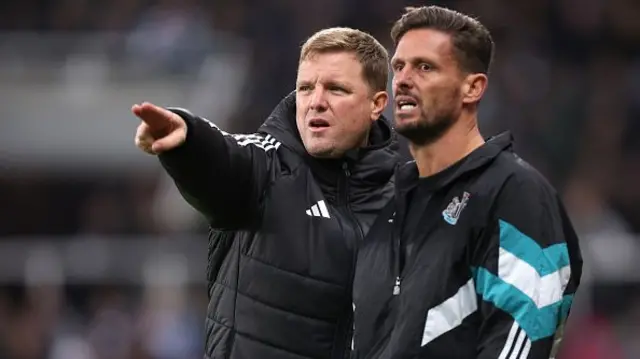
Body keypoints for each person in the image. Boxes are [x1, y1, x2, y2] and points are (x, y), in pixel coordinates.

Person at [133, 27, 399, 359]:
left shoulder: (403, 198)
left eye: (336, 89)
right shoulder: (266, 165)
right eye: (305, 88)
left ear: (377, 104)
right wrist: (188, 142)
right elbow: (224, 159)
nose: (316, 101)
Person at [352, 6, 583, 359]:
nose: (402, 79)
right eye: (398, 66)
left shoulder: (513, 192)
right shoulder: (388, 209)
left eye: (425, 67)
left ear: (472, 87)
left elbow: (521, 339)